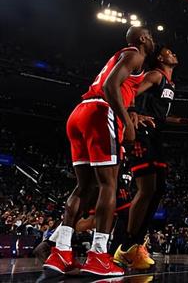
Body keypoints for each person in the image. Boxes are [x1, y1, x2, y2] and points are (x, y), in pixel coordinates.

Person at [43, 26, 154, 277]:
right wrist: (126, 122)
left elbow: (121, 88)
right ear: (143, 39)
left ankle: (61, 251)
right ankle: (99, 255)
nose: (153, 41)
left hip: (80, 113)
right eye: (151, 36)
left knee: (84, 187)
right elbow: (110, 86)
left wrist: (134, 114)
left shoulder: (126, 59)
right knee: (108, 186)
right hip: (101, 112)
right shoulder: (134, 54)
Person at [113, 45, 188, 270]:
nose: (174, 53)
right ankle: (127, 245)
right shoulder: (154, 75)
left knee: (159, 188)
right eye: (169, 52)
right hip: (141, 133)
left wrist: (185, 122)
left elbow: (160, 115)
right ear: (160, 58)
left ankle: (135, 243)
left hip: (155, 134)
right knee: (147, 188)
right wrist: (133, 113)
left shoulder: (169, 83)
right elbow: (130, 90)